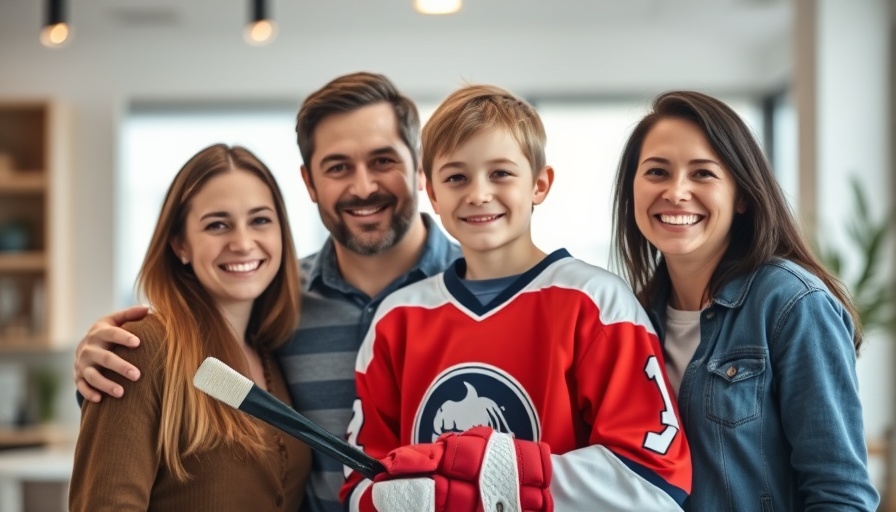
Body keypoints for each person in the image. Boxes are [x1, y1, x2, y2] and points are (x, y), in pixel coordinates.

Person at [71, 72, 462, 512]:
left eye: (383, 161)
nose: (363, 186)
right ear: (310, 183)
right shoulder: (281, 301)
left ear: (420, 167)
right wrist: (103, 359)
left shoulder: (489, 295)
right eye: (337, 167)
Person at [341, 84, 692, 512]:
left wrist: (497, 476)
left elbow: (654, 482)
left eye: (501, 173)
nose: (478, 194)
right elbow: (361, 481)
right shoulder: (397, 319)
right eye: (456, 177)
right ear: (431, 193)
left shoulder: (595, 302)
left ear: (540, 184)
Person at [610, 91, 879, 510]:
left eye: (702, 174)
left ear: (742, 196)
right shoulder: (630, 316)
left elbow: (840, 492)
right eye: (657, 172)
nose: (676, 192)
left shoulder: (793, 304)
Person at [68, 144, 312, 510]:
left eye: (260, 220)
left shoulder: (271, 354)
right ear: (180, 244)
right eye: (217, 224)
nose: (243, 243)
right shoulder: (144, 348)